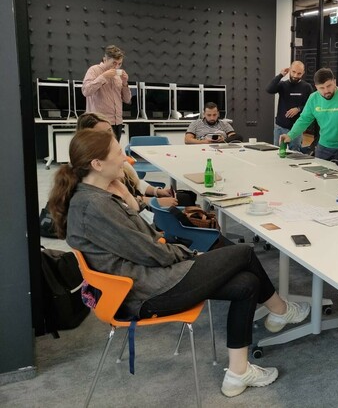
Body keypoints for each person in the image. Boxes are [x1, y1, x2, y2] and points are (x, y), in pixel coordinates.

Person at [48, 130, 311, 398]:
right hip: (146, 291)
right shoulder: (95, 206)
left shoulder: (95, 196)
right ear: (97, 164)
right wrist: (190, 254)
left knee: (247, 283)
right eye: (118, 154)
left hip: (147, 280)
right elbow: (150, 252)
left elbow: (146, 242)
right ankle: (281, 310)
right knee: (244, 253)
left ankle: (238, 372)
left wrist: (128, 197)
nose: (125, 159)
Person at [76, 112, 177, 209]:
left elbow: (136, 183)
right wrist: (156, 202)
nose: (109, 136)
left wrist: (157, 191)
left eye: (109, 131)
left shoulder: (113, 159)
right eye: (102, 134)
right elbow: (122, 203)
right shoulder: (99, 171)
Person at [280, 68, 338, 160]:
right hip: (323, 146)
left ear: (334, 82)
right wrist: (290, 135)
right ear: (316, 87)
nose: (326, 91)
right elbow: (304, 120)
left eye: (329, 86)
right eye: (322, 88)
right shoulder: (313, 99)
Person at [82, 45, 132, 141]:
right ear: (105, 59)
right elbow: (86, 91)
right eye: (114, 63)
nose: (116, 67)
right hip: (98, 123)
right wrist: (104, 77)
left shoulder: (118, 76)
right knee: (99, 150)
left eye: (119, 64)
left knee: (113, 149)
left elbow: (127, 99)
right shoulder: (94, 70)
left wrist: (125, 83)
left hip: (117, 122)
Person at [266, 61, 313, 150]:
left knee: (295, 153)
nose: (295, 75)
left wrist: (298, 109)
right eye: (293, 72)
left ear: (303, 73)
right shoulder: (283, 85)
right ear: (289, 70)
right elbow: (269, 89)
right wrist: (280, 75)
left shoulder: (307, 87)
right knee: (277, 152)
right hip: (280, 126)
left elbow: (311, 106)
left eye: (299, 73)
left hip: (297, 128)